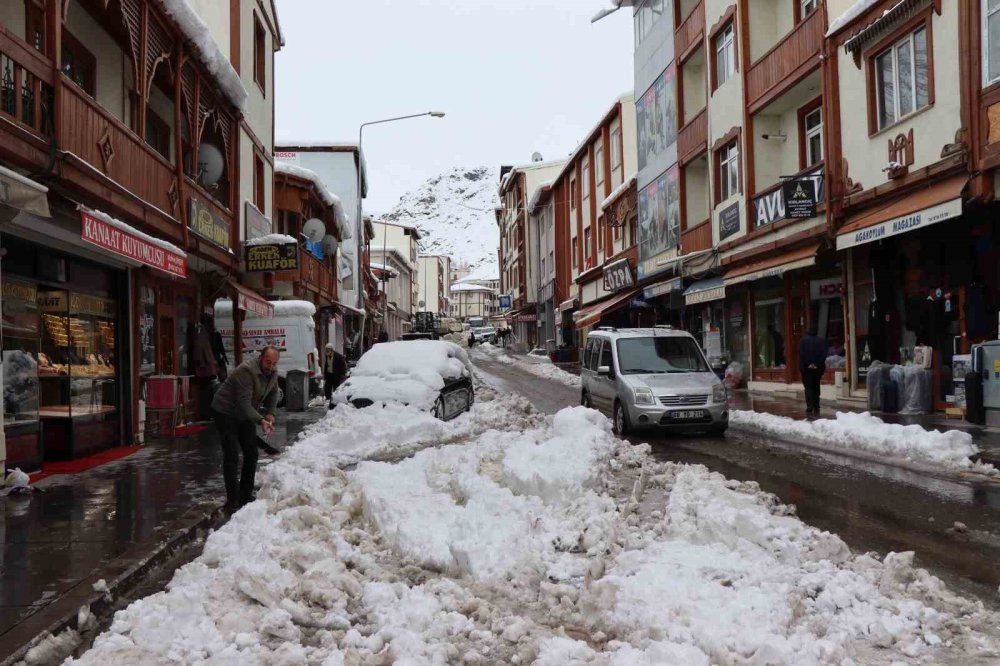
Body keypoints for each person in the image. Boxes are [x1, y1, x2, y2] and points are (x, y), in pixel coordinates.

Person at [211, 346, 280, 512]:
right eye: (267, 362)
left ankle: (245, 494)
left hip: (245, 413)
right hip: (226, 411)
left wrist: (270, 414)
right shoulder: (246, 371)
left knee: (251, 452)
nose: (270, 366)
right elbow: (243, 404)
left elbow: (273, 392)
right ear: (260, 358)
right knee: (232, 453)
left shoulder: (272, 372)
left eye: (273, 363)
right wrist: (261, 420)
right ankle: (233, 499)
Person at [798, 326, 827, 415]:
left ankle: (809, 406)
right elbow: (824, 354)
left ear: (808, 331)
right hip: (818, 369)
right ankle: (816, 404)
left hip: (806, 369)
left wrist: (809, 364)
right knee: (816, 385)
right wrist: (816, 364)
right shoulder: (821, 341)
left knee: (808, 387)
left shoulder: (803, 341)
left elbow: (801, 354)